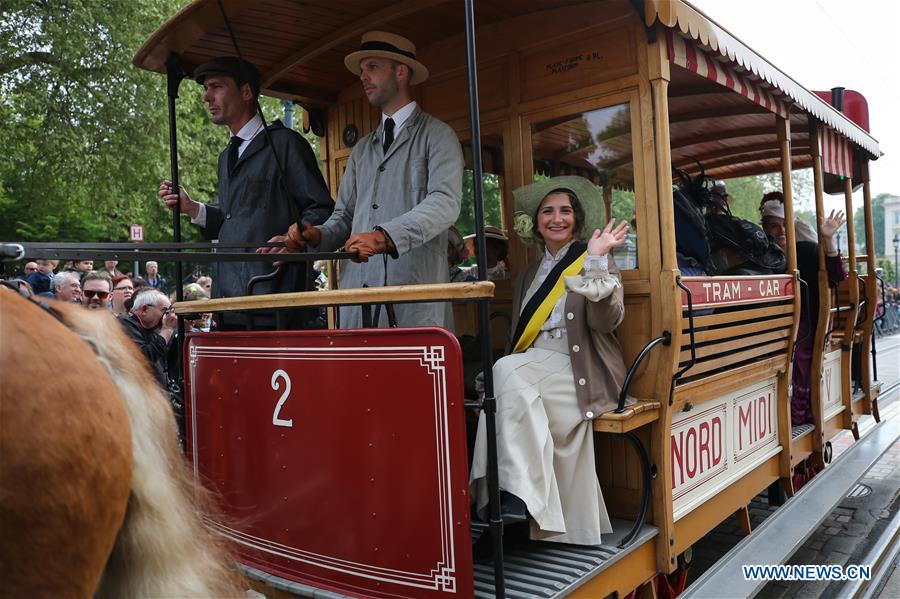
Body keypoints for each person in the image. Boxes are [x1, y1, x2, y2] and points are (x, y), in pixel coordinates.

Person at [470, 176, 629, 547]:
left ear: (576, 218)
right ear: (536, 222)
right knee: (504, 387)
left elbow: (607, 322)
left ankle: (508, 504)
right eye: (548, 212)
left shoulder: (597, 261)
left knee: (504, 374)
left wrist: (595, 261)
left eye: (565, 211)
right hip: (529, 367)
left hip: (578, 370)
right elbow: (518, 339)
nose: (556, 219)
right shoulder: (527, 275)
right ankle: (513, 510)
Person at [287, 31, 463, 328]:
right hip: (359, 300)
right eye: (361, 70)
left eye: (372, 67)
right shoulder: (362, 150)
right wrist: (317, 235)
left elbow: (445, 203)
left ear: (401, 72)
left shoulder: (438, 136)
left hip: (414, 299)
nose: (363, 77)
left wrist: (385, 236)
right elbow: (344, 217)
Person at [159, 56, 333, 329]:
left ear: (246, 92)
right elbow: (236, 221)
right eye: (206, 88)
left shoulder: (286, 144)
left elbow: (322, 208)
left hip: (275, 305)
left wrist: (294, 238)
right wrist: (193, 208)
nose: (206, 97)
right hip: (228, 304)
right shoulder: (226, 156)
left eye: (216, 86)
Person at [761, 201, 846, 426]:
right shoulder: (759, 253)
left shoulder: (805, 250)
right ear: (764, 228)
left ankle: (797, 417)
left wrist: (827, 239)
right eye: (773, 226)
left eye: (784, 224)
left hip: (804, 324)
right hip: (769, 324)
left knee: (796, 349)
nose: (780, 231)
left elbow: (837, 275)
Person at [119, 288, 177, 390]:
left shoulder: (152, 329)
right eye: (165, 310)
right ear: (145, 309)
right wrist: (167, 330)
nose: (169, 316)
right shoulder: (124, 323)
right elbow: (143, 358)